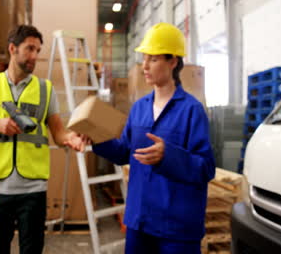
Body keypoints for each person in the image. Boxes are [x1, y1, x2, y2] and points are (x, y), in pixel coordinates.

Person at [91, 22, 216, 253]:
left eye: (153, 59)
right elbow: (124, 152)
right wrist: (95, 139)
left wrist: (167, 155)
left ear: (173, 62)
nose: (144, 66)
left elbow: (206, 168)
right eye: (144, 59)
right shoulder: (139, 108)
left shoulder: (191, 110)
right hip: (140, 221)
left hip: (177, 228)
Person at [0, 25, 86, 254]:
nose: (34, 56)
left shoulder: (45, 89)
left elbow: (58, 133)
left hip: (33, 188)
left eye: (38, 50)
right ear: (13, 48)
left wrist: (72, 138)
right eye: (29, 48)